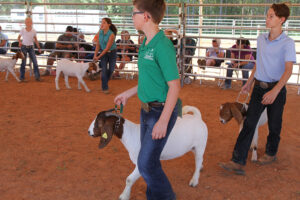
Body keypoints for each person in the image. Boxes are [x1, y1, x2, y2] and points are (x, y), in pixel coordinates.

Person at [219, 3, 296, 175]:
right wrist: (249, 82)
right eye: (267, 15)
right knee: (249, 122)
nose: (267, 19)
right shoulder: (261, 39)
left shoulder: (288, 43)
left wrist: (275, 91)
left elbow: (289, 70)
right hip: (259, 88)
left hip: (276, 89)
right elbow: (258, 64)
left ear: (282, 20)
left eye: (271, 16)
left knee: (275, 124)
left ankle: (270, 153)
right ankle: (237, 160)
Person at [114, 0, 180, 199]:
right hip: (146, 110)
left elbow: (174, 87)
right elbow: (149, 81)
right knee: (149, 160)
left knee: (144, 163)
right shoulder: (145, 43)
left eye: (134, 12)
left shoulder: (162, 46)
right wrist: (129, 93)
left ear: (146, 16)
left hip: (160, 111)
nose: (131, 16)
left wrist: (163, 120)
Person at [93, 18, 117, 94]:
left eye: (104, 23)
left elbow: (107, 48)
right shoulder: (100, 32)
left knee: (111, 70)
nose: (102, 24)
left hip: (112, 53)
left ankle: (104, 81)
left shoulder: (112, 35)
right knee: (104, 70)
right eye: (101, 22)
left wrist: (98, 57)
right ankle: (105, 87)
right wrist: (95, 55)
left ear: (108, 25)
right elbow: (98, 44)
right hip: (103, 53)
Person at [17, 17, 42, 81]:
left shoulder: (33, 31)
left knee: (35, 62)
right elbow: (18, 38)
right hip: (24, 47)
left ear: (31, 23)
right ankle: (22, 77)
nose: (28, 23)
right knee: (23, 63)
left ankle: (37, 77)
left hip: (31, 47)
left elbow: (36, 40)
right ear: (25, 23)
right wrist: (20, 42)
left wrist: (39, 47)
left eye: (29, 22)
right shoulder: (23, 30)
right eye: (27, 22)